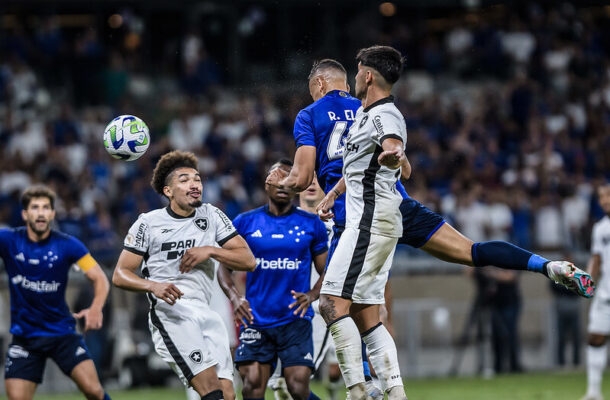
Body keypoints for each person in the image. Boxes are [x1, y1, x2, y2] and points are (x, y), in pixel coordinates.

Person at [112, 150, 256, 400]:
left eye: (197, 179)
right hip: (172, 314)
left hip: (206, 310)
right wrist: (153, 286)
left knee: (229, 394)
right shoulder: (148, 223)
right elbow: (120, 274)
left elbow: (248, 260)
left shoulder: (211, 216)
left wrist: (210, 250)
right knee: (211, 391)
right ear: (168, 191)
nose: (194, 184)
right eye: (184, 180)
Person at [218, 159, 327, 400]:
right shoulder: (245, 222)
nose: (281, 182)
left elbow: (328, 270)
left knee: (297, 387)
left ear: (296, 185)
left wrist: (311, 295)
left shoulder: (311, 224)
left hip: (294, 320)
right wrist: (235, 298)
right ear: (266, 184)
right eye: (275, 176)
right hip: (255, 319)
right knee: (252, 387)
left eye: (288, 177)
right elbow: (224, 268)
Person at [0, 184, 111, 400]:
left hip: (63, 334)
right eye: (35, 207)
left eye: (45, 208)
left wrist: (96, 308)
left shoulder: (69, 245)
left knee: (94, 391)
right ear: (25, 214)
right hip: (25, 338)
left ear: (52, 213)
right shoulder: (8, 240)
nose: (40, 212)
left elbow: (100, 278)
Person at [581, 182, 610, 400]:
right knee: (595, 337)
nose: (605, 200)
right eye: (601, 197)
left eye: (608, 196)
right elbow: (597, 259)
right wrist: (587, 281)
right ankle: (593, 392)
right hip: (606, 295)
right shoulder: (600, 228)